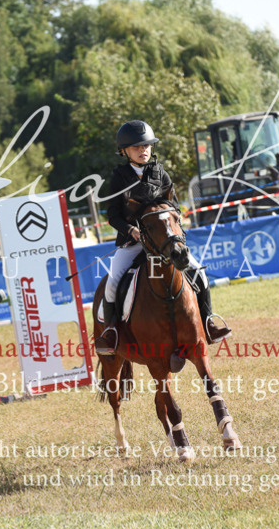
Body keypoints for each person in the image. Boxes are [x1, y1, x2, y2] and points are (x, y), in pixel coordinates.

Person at [95, 120, 231, 355]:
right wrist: (131, 230)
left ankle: (208, 323)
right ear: (124, 151)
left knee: (199, 273)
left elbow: (175, 209)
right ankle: (111, 332)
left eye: (146, 146)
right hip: (133, 243)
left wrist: (173, 232)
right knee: (113, 282)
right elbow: (113, 216)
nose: (143, 150)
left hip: (163, 243)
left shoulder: (161, 173)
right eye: (137, 147)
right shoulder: (119, 177)